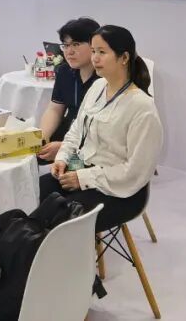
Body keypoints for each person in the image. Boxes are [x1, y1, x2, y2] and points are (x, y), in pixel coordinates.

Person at [40, 26, 163, 231]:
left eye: (102, 52)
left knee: (59, 219)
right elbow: (76, 131)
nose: (95, 58)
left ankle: (41, 249)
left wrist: (84, 178)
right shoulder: (97, 87)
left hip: (120, 191)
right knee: (36, 192)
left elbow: (135, 171)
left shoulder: (142, 107)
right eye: (93, 51)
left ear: (124, 58)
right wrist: (62, 158)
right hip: (82, 171)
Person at [37, 17, 100, 163]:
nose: (69, 51)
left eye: (76, 44)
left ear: (95, 45)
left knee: (67, 164)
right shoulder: (65, 71)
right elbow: (55, 109)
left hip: (93, 140)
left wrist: (65, 148)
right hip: (69, 129)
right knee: (34, 155)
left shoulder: (105, 78)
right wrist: (42, 138)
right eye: (65, 45)